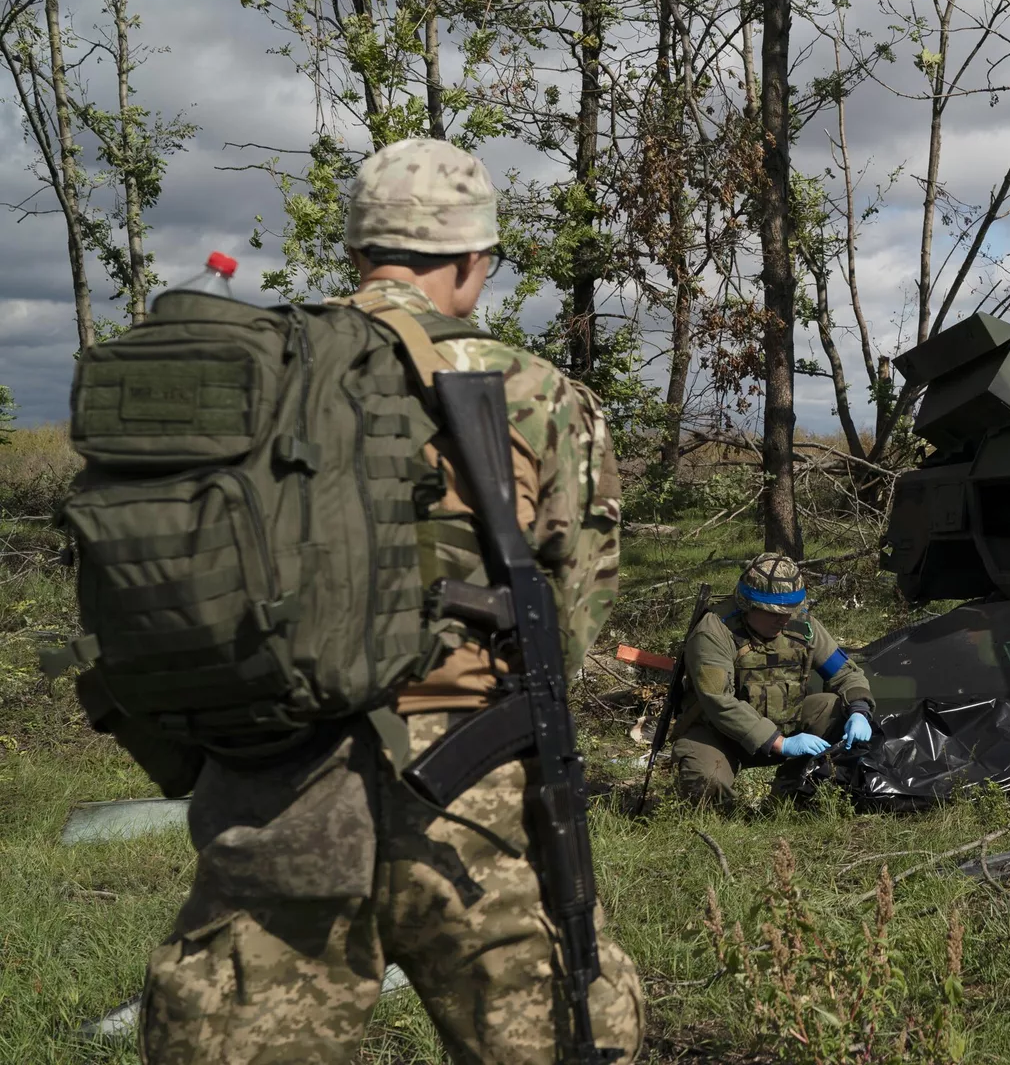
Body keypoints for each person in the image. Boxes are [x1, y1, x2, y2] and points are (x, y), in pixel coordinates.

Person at [140, 138, 646, 1064]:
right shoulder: (536, 392)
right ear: (472, 260)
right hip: (472, 793)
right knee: (566, 1036)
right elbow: (569, 623)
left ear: (357, 251)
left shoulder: (255, 376)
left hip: (275, 780)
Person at [670, 553, 876, 807]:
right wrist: (780, 743)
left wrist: (859, 710)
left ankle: (791, 791)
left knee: (835, 707)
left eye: (789, 611)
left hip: (786, 723)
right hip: (720, 734)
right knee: (705, 783)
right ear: (748, 605)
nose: (784, 619)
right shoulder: (714, 632)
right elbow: (718, 701)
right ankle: (727, 820)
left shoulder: (802, 625)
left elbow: (845, 672)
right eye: (773, 612)